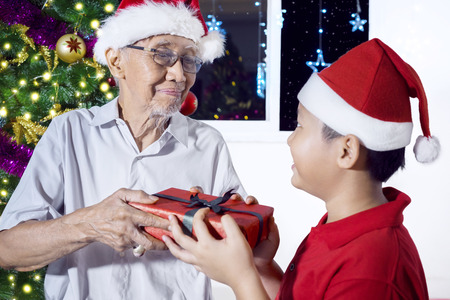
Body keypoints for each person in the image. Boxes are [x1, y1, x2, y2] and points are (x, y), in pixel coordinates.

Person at [0, 0, 254, 299]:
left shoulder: (208, 144)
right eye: (162, 54)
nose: (180, 75)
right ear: (116, 61)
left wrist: (233, 227)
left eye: (189, 60)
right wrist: (89, 225)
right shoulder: (70, 132)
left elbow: (238, 250)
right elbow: (7, 250)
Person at [164, 38, 440, 299]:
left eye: (300, 126)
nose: (290, 138)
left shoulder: (371, 273)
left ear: (346, 151)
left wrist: (240, 278)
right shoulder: (344, 228)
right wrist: (261, 266)